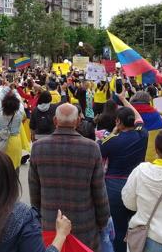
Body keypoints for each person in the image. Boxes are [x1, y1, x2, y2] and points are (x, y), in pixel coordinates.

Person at [29, 103, 110, 251]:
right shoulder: (91, 148)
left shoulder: (38, 147)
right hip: (84, 226)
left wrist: (39, 219)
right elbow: (99, 192)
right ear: (78, 121)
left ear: (55, 121)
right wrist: (103, 221)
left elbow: (34, 192)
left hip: (50, 224)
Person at [99, 91, 148, 252]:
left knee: (118, 228)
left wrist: (114, 132)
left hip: (114, 186)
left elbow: (100, 151)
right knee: (136, 225)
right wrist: (123, 99)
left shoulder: (112, 141)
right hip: (137, 184)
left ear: (118, 121)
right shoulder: (142, 134)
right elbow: (138, 117)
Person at [0, 86, 26, 169]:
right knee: (14, 168)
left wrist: (7, 87)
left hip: (0, 139)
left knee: (0, 168)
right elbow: (20, 101)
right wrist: (14, 89)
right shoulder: (19, 113)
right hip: (14, 141)